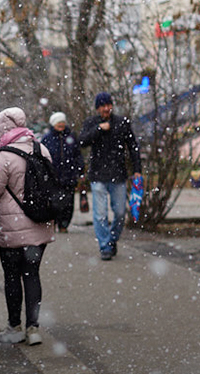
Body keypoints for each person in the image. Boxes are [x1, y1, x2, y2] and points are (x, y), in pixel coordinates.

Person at [0, 107, 54, 346]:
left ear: (2, 131)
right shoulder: (41, 149)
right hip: (39, 224)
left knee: (12, 276)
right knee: (32, 275)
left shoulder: (2, 156)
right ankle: (33, 328)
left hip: (11, 228)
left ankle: (14, 327)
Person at [79, 92, 142, 260]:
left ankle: (112, 239)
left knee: (120, 212)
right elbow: (82, 141)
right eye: (103, 106)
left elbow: (133, 146)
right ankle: (105, 246)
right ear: (98, 108)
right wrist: (99, 129)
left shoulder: (122, 123)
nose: (107, 109)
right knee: (100, 214)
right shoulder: (91, 123)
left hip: (118, 175)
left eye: (109, 105)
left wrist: (137, 169)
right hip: (98, 175)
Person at [40, 111, 85, 232]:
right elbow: (42, 157)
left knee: (68, 203)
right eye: (58, 123)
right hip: (53, 176)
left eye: (62, 123)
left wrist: (80, 170)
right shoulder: (47, 139)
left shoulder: (71, 137)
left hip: (69, 175)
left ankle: (64, 224)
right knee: (54, 202)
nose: (61, 125)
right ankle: (54, 221)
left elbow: (77, 155)